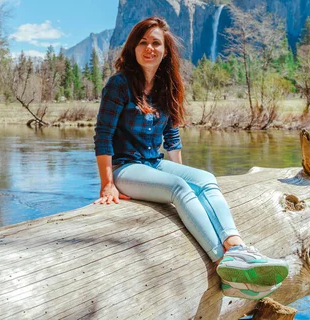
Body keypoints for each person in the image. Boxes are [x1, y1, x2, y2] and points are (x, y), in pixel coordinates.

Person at [93, 16, 288, 300]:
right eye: (143, 42)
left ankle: (236, 246)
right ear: (133, 48)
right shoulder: (119, 85)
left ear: (165, 50)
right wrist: (107, 184)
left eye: (156, 43)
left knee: (205, 179)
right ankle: (223, 264)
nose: (149, 48)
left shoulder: (166, 85)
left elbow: (172, 139)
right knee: (179, 188)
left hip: (154, 163)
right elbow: (103, 135)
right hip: (125, 168)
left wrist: (177, 173)